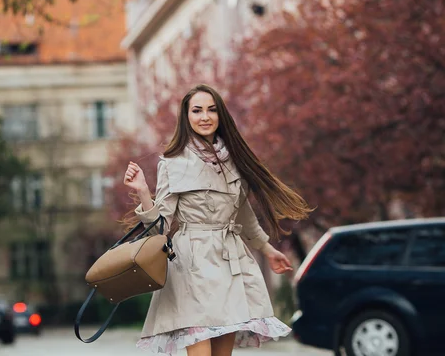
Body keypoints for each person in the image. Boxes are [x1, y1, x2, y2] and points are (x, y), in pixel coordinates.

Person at [123, 84, 314, 356]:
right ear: (186, 117)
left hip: (229, 264)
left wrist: (267, 249)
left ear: (221, 115)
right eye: (197, 110)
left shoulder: (234, 161)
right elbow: (161, 228)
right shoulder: (173, 162)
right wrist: (144, 191)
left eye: (212, 110)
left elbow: (243, 213)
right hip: (191, 265)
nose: (205, 117)